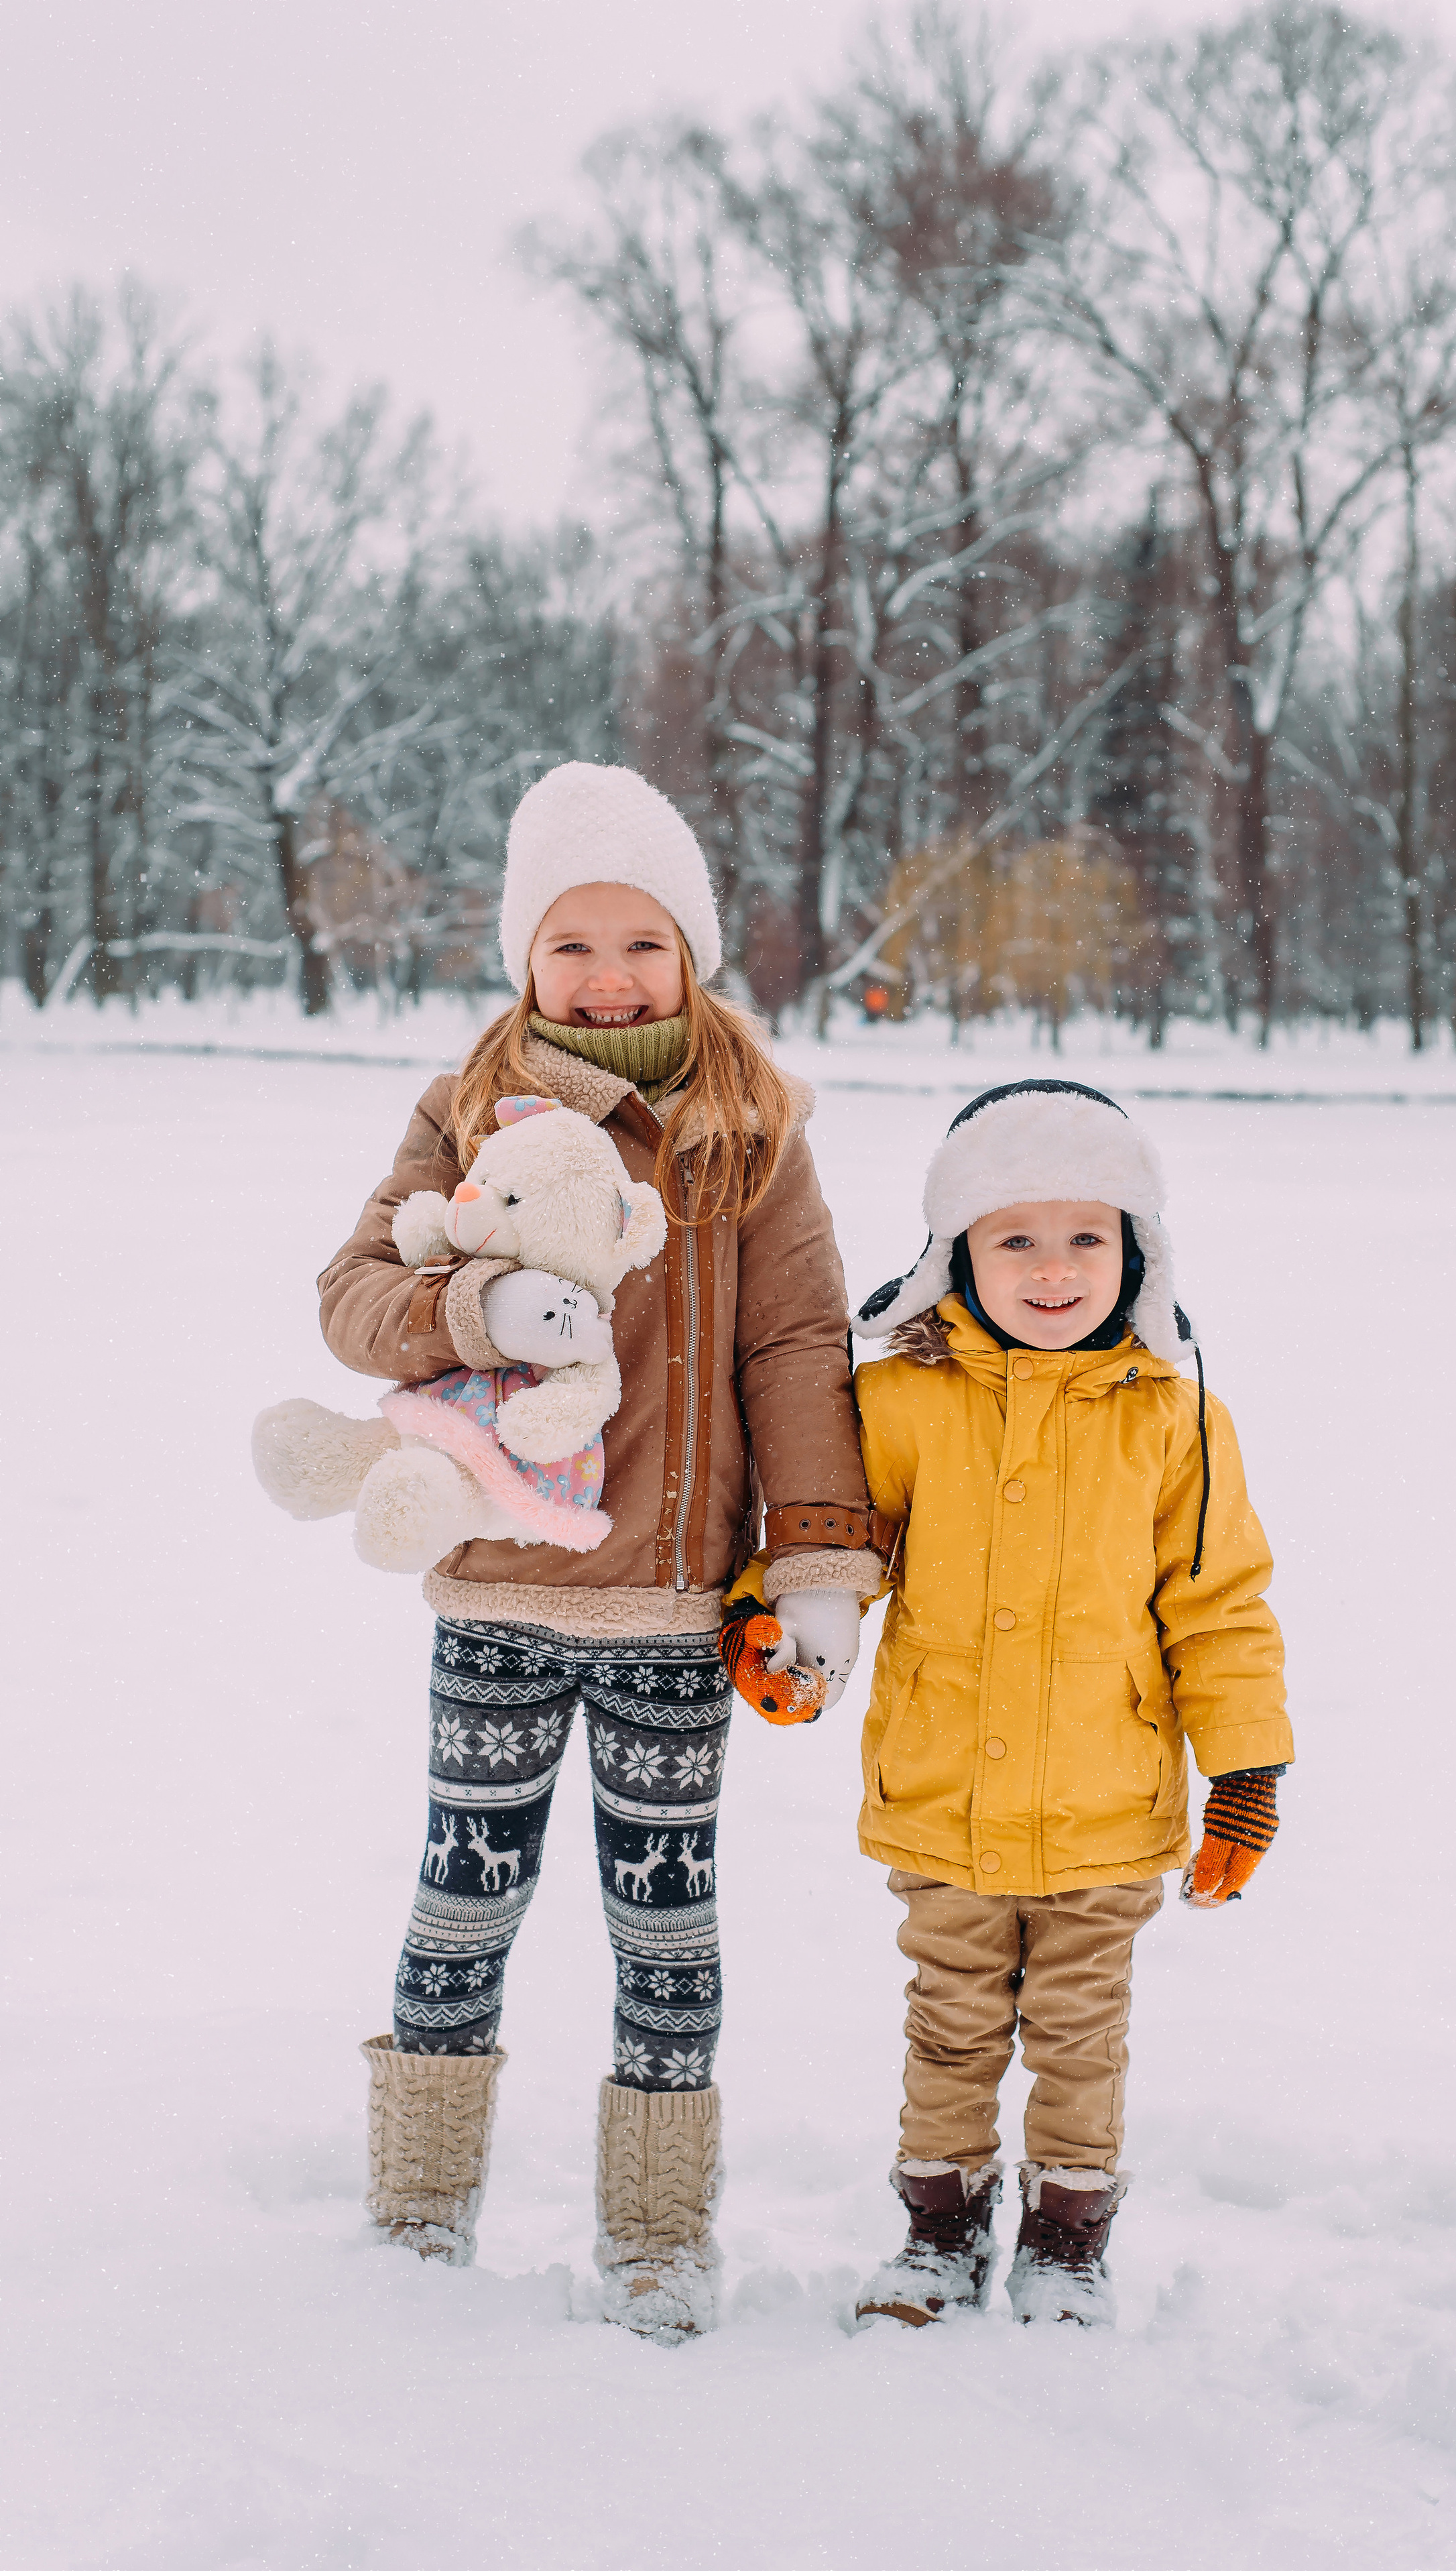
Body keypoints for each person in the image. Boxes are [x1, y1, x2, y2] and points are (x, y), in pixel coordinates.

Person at [314, 762, 880, 2336]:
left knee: (665, 1930)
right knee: (464, 1897)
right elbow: (353, 1295)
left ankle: (655, 2234)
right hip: (500, 1589)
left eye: (641, 941)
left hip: (673, 1611)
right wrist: (472, 1305)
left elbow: (795, 1345)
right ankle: (417, 2207)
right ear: (526, 959)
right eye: (571, 943)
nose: (608, 974)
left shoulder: (751, 1129)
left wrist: (817, 1561)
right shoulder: (465, 1108)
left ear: (690, 952)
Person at [841, 1079, 1292, 2328]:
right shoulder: (899, 1399)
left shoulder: (1176, 1415)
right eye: (1016, 1238)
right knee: (950, 2026)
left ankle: (1066, 2240)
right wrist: (780, 1624)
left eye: (1087, 1235)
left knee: (1081, 2031)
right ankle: (939, 2234)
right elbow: (836, 1548)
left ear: (1136, 1252)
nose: (1053, 1268)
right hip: (943, 1789)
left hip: (1108, 1800)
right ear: (957, 1254)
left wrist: (1246, 1768)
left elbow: (1220, 1603)